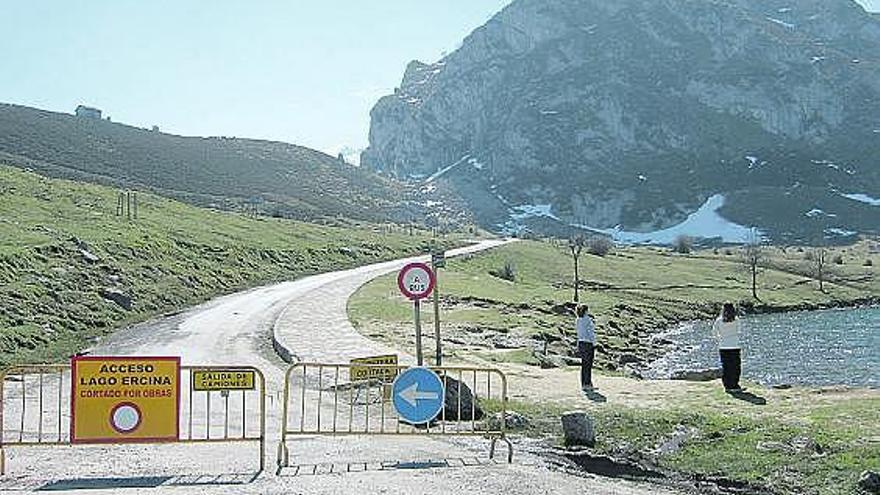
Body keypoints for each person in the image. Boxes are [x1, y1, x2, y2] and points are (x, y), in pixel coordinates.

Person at [714, 302, 743, 392]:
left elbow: (714, 332)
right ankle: (735, 384)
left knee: (726, 366)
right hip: (734, 345)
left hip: (723, 346)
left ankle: (727, 385)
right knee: (735, 366)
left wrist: (720, 339)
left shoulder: (719, 320)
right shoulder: (736, 320)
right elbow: (739, 331)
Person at [575, 304, 597, 392]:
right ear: (585, 311)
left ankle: (584, 383)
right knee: (588, 364)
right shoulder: (588, 319)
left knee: (584, 364)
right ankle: (587, 383)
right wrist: (594, 343)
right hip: (588, 343)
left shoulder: (578, 320)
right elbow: (591, 332)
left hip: (581, 342)